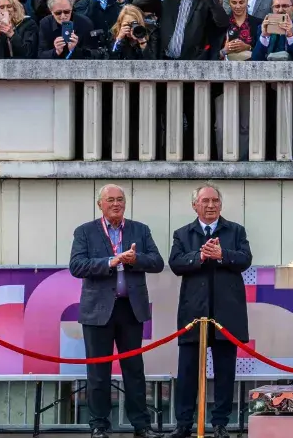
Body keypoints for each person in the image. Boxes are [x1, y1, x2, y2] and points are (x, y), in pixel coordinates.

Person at [69, 185, 167, 438]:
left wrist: (136, 260)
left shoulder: (140, 230)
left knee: (134, 370)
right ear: (100, 204)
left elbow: (157, 262)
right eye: (110, 200)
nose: (116, 204)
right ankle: (100, 425)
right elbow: (76, 266)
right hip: (98, 311)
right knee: (98, 372)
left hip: (130, 309)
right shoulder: (85, 231)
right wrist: (109, 262)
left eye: (120, 200)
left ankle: (141, 425)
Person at [169, 184, 252, 438]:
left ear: (221, 204)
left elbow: (245, 258)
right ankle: (184, 423)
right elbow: (175, 263)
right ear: (195, 205)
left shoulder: (235, 230)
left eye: (215, 200)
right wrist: (200, 257)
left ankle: (220, 423)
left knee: (225, 372)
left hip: (227, 313)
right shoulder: (183, 233)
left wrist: (221, 254)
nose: (211, 205)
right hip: (194, 314)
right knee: (188, 372)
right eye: (205, 201)